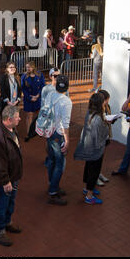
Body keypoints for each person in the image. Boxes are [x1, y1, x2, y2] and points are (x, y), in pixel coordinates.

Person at [0, 105, 23, 247]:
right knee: (2, 203)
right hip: (7, 179)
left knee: (10, 202)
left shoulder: (11, 129)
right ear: (9, 119)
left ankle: (7, 222)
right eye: (17, 117)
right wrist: (5, 181)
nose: (20, 119)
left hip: (13, 176)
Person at [74, 93, 111, 204]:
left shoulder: (89, 113)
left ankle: (87, 188)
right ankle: (89, 196)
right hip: (96, 149)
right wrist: (107, 125)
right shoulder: (98, 118)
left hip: (89, 147)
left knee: (89, 168)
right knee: (94, 171)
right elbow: (100, 135)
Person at [45, 75, 72, 206]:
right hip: (58, 134)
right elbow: (65, 124)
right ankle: (53, 191)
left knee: (51, 160)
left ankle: (52, 184)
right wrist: (67, 141)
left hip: (49, 131)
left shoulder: (50, 95)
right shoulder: (66, 101)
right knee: (60, 164)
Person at [21, 61, 45, 141]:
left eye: (29, 67)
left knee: (39, 116)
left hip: (38, 98)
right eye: (27, 67)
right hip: (28, 99)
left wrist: (38, 95)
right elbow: (23, 88)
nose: (28, 69)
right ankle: (29, 133)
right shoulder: (24, 76)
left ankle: (39, 131)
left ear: (33, 67)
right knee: (29, 116)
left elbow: (43, 86)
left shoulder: (39, 74)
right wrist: (29, 97)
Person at [96, 89, 111, 186]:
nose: (108, 101)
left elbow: (108, 117)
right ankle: (95, 177)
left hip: (105, 135)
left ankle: (99, 173)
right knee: (96, 158)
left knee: (101, 157)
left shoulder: (107, 107)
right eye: (107, 99)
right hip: (98, 137)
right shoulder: (96, 109)